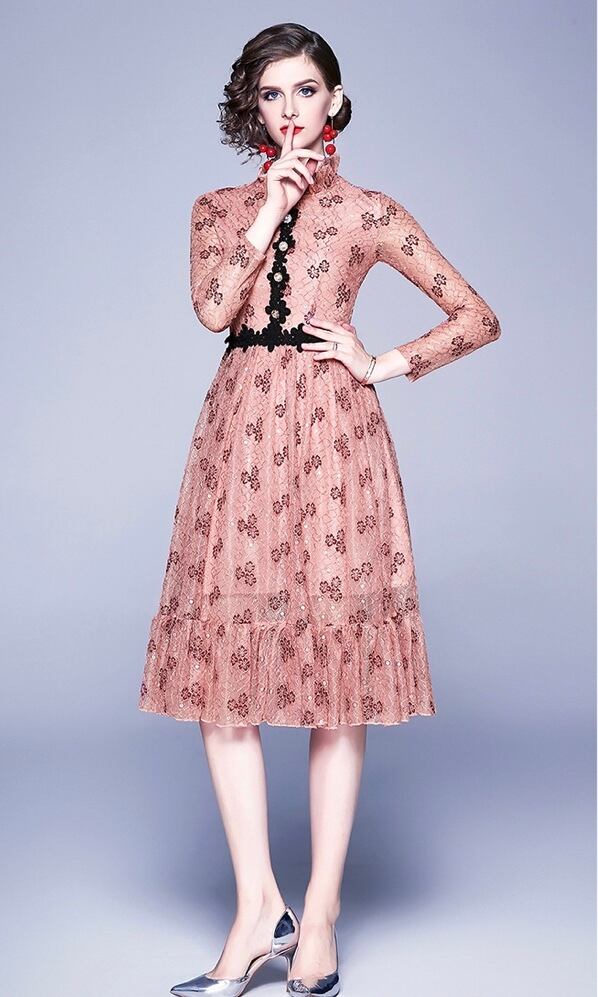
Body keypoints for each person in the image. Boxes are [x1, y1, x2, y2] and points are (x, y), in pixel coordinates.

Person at [138, 22, 501, 997]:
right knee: (223, 671)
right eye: (271, 94)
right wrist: (268, 208)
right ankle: (258, 905)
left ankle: (323, 913)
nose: (290, 109)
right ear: (253, 109)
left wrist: (385, 362)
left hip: (337, 442)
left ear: (335, 100)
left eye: (305, 90)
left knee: (338, 677)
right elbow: (214, 310)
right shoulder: (218, 208)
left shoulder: (371, 211)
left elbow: (475, 314)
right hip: (238, 436)